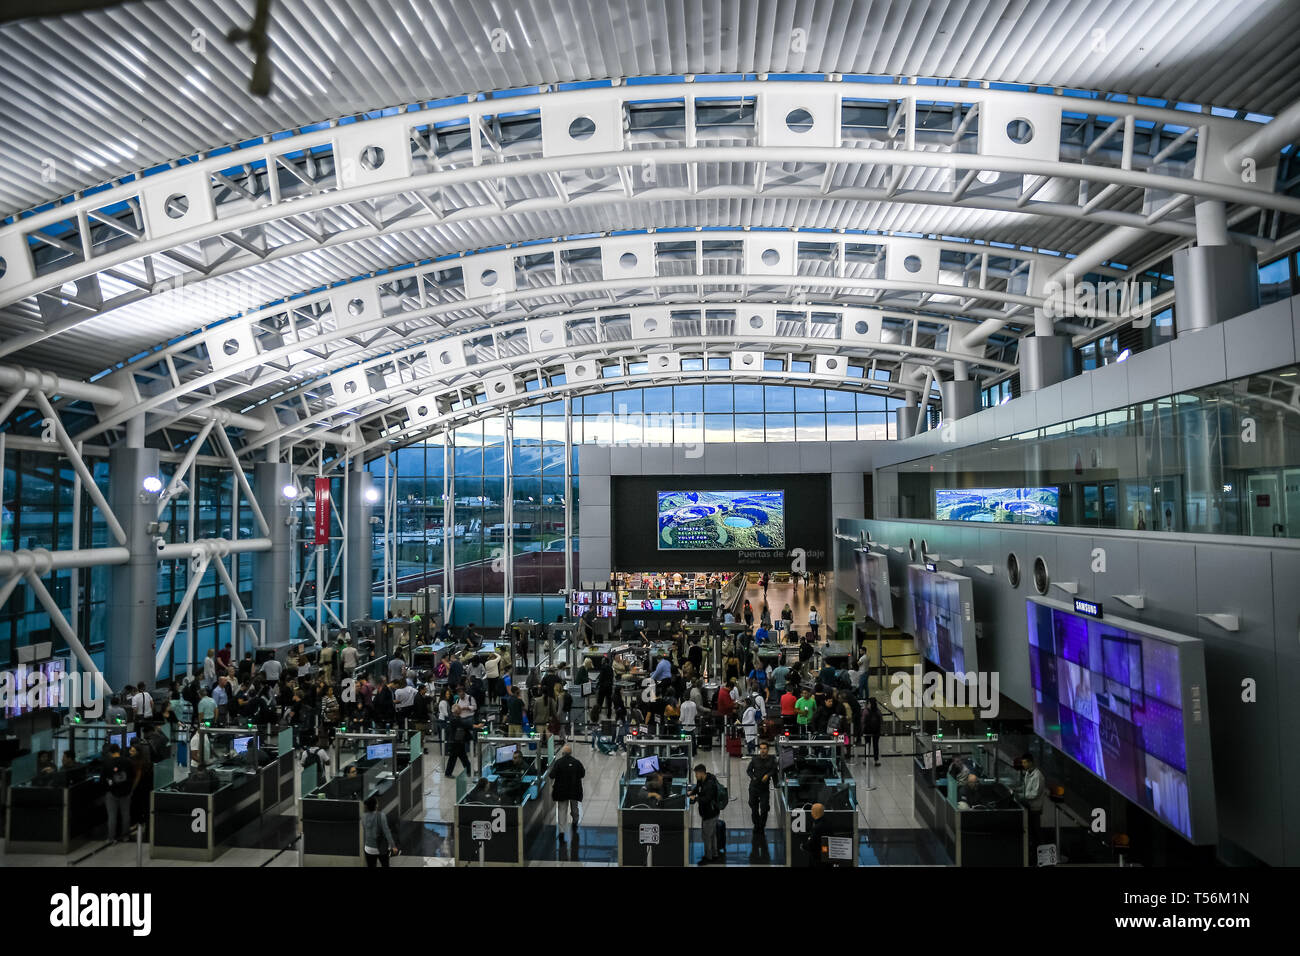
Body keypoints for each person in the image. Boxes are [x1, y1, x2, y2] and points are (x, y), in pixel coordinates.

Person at [689, 763, 722, 865]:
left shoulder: (710, 784)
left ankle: (708, 857)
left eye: (696, 774)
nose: (695, 776)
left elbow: (707, 799)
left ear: (701, 773)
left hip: (710, 813)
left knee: (706, 836)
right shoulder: (702, 779)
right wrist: (692, 793)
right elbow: (698, 787)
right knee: (712, 834)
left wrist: (696, 798)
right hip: (707, 812)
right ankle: (714, 854)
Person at [748, 740, 777, 852]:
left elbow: (774, 770)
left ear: (768, 750)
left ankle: (762, 826)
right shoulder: (755, 759)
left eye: (765, 748)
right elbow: (749, 770)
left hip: (764, 789)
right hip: (754, 787)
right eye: (761, 748)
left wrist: (768, 775)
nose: (763, 750)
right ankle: (756, 826)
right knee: (754, 808)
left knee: (764, 808)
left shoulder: (772, 760)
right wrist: (753, 777)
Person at [550, 744, 585, 837]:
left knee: (562, 809)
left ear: (562, 753)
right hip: (574, 790)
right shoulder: (577, 762)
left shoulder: (558, 762)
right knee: (574, 808)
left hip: (561, 791)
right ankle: (575, 821)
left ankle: (561, 831)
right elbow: (582, 774)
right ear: (571, 753)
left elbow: (552, 775)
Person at [103, 744, 134, 842]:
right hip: (126, 792)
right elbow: (132, 776)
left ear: (110, 753)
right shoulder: (127, 762)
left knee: (112, 816)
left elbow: (103, 779)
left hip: (112, 793)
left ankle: (111, 837)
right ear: (119, 750)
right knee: (126, 814)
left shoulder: (107, 763)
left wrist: (108, 788)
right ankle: (125, 836)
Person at [1014, 753, 1046, 846]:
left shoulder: (1038, 776)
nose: (1023, 765)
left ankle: (1040, 848)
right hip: (1028, 806)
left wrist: (1023, 796)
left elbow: (1035, 793)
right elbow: (1025, 788)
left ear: (1031, 762)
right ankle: (1034, 848)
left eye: (1024, 762)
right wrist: (1017, 790)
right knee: (1032, 829)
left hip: (1035, 808)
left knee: (1036, 829)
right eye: (1022, 762)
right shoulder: (1028, 773)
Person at [362, 795, 396, 866]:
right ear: (376, 805)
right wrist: (393, 846)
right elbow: (387, 832)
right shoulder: (381, 816)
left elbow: (366, 832)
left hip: (368, 848)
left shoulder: (363, 817)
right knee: (385, 864)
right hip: (381, 848)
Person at [804, 802, 834, 867]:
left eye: (812, 811)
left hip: (817, 859)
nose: (811, 813)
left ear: (815, 812)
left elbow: (812, 844)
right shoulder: (828, 824)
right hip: (827, 859)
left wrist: (804, 846)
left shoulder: (817, 827)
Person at [593, 655, 615, 721]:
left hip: (603, 687)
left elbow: (601, 678)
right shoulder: (611, 668)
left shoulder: (603, 668)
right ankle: (609, 714)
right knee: (609, 701)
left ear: (604, 662)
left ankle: (597, 713)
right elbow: (612, 677)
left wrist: (597, 685)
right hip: (609, 687)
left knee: (600, 701)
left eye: (602, 660)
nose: (601, 661)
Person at [864, 698, 883, 765]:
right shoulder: (878, 711)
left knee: (867, 745)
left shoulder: (866, 711)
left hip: (867, 731)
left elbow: (862, 721)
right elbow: (881, 721)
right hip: (876, 731)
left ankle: (866, 760)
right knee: (875, 745)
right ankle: (876, 760)